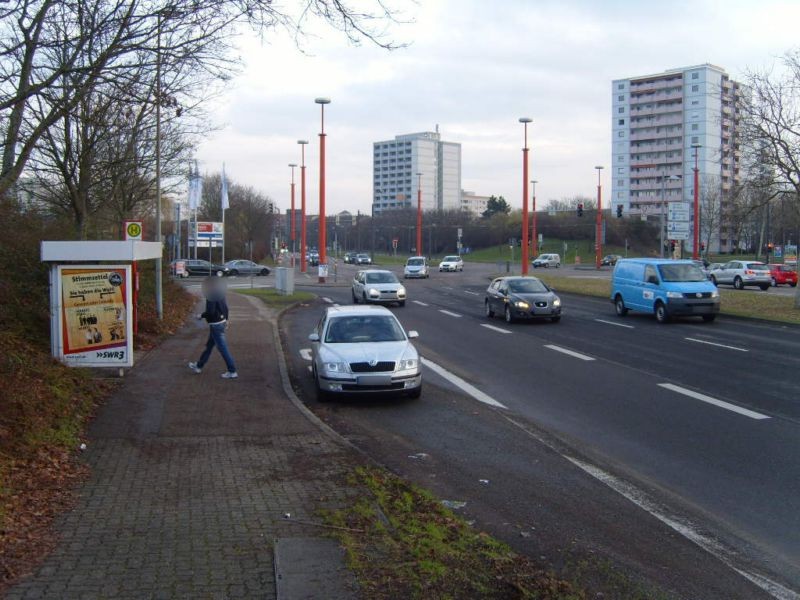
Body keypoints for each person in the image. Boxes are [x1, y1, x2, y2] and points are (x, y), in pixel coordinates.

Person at [188, 278, 238, 379]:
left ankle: (232, 371)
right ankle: (199, 365)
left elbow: (210, 312)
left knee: (223, 348)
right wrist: (226, 320)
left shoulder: (211, 295)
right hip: (221, 322)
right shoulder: (220, 293)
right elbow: (225, 308)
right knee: (209, 346)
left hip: (216, 325)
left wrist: (200, 316)